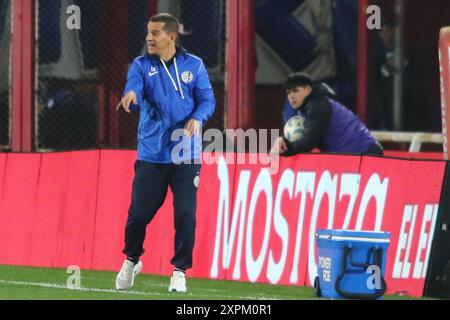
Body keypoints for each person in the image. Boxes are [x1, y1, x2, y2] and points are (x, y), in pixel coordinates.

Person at [115, 13, 215, 292]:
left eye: (156, 33)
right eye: (148, 32)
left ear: (171, 36)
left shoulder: (194, 66)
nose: (149, 37)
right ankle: (132, 259)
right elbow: (133, 88)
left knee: (186, 215)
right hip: (152, 153)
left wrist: (198, 117)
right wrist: (132, 97)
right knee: (139, 215)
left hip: (186, 154)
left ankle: (179, 271)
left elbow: (207, 99)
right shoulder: (140, 66)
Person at [270, 72, 383, 156]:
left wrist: (286, 150)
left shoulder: (317, 106)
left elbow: (311, 140)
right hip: (355, 154)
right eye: (288, 92)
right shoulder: (308, 106)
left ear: (308, 90)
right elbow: (308, 134)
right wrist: (284, 140)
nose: (291, 96)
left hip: (365, 153)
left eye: (295, 91)